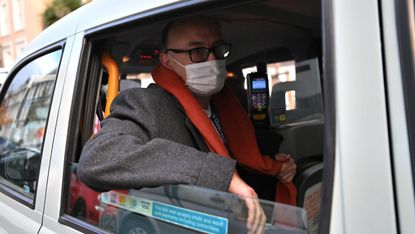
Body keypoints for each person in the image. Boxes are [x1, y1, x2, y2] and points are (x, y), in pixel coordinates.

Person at [78, 16, 296, 234]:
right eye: (197, 52)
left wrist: (274, 165)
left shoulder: (227, 105)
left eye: (217, 49)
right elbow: (97, 159)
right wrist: (218, 173)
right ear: (167, 60)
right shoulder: (145, 104)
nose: (212, 59)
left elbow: (243, 157)